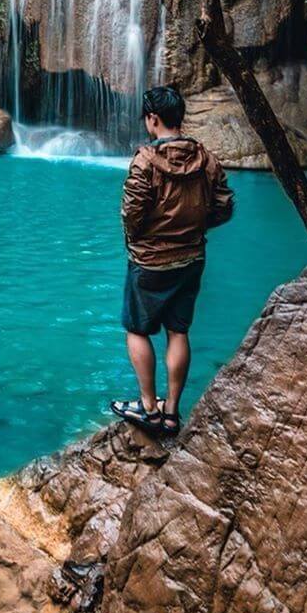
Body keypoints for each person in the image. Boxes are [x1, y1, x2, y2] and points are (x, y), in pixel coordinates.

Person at [111, 84, 233, 437]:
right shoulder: (206, 159)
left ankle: (149, 407)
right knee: (178, 331)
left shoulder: (146, 160)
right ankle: (172, 413)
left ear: (153, 119)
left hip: (149, 261)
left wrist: (142, 241)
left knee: (137, 329)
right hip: (191, 258)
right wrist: (195, 227)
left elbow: (132, 214)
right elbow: (224, 206)